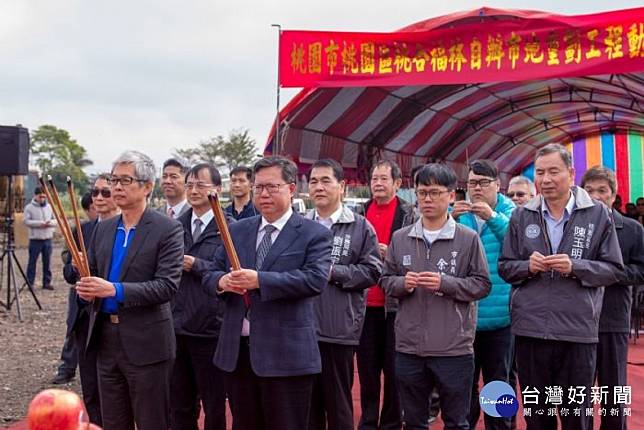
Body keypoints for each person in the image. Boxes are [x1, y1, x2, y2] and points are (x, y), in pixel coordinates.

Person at [498, 144, 624, 430]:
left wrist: (576, 267)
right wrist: (527, 267)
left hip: (576, 331)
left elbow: (614, 269)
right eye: (540, 173)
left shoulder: (597, 215)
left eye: (553, 171)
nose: (545, 179)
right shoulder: (521, 216)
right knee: (537, 416)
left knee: (575, 416)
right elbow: (506, 266)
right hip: (531, 330)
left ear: (570, 173)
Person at [204, 156, 333, 430]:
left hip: (287, 355)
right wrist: (223, 282)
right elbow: (210, 274)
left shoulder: (313, 233)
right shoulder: (237, 230)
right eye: (258, 187)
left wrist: (260, 280)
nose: (263, 194)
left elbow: (314, 279)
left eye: (271, 187)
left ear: (290, 189)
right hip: (238, 353)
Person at [76, 151, 184, 430]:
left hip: (147, 342)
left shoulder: (168, 229)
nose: (117, 187)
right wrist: (88, 290)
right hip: (105, 338)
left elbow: (167, 286)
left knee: (151, 421)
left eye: (126, 180)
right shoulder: (105, 228)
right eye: (114, 180)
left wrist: (114, 290)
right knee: (113, 421)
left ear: (148, 186)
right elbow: (96, 276)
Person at [381, 163, 491, 430]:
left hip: (453, 348)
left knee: (456, 421)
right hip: (409, 347)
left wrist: (447, 284)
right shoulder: (401, 238)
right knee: (415, 421)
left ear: (452, 195)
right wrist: (402, 283)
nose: (427, 199)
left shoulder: (467, 239)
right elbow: (385, 281)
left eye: (434, 192)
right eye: (421, 193)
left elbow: (481, 285)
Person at [306, 159, 382, 430]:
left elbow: (372, 272)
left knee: (338, 405)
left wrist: (333, 273)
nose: (319, 187)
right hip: (302, 330)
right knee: (307, 408)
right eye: (313, 181)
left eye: (326, 181)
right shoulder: (301, 225)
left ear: (342, 186)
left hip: (338, 329)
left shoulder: (360, 227)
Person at [451, 159, 515, 430]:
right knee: (463, 382)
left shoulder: (510, 212)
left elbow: (517, 241)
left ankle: (501, 426)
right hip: (465, 316)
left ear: (497, 185)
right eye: (471, 183)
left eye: (483, 183)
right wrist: (448, 218)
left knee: (498, 382)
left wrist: (492, 216)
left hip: (500, 316)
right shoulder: (460, 214)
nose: (476, 189)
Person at [581, 166, 644, 430]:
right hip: (577, 320)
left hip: (613, 317)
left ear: (613, 195)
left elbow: (641, 270)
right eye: (589, 190)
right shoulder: (574, 225)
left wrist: (609, 273)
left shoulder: (631, 229)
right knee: (577, 390)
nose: (595, 196)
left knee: (613, 388)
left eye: (602, 191)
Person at [54, 174, 119, 424]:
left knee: (115, 389)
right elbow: (69, 275)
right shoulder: (83, 230)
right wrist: (74, 266)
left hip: (113, 317)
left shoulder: (125, 229)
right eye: (96, 193)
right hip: (84, 317)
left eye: (106, 192)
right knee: (90, 386)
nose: (99, 198)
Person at [171, 163, 230, 430]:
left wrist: (196, 265)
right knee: (179, 404)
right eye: (190, 185)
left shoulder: (229, 227)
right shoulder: (174, 226)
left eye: (201, 185)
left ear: (217, 190)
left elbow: (232, 271)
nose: (193, 190)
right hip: (176, 326)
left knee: (214, 404)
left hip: (211, 328)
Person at [358, 159, 415, 430]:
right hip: (363, 304)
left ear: (397, 183)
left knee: (394, 370)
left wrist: (389, 251)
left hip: (395, 305)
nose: (378, 184)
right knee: (367, 371)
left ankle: (392, 421)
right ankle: (368, 421)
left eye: (383, 179)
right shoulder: (359, 212)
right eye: (374, 179)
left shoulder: (409, 214)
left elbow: (417, 254)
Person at [23, 187, 57, 290]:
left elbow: (55, 220)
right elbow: (26, 221)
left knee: (47, 262)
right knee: (32, 262)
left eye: (44, 196)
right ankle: (30, 283)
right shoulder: (29, 208)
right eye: (40, 196)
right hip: (35, 239)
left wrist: (49, 223)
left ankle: (46, 282)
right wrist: (40, 224)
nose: (42, 199)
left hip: (47, 239)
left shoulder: (50, 207)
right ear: (35, 196)